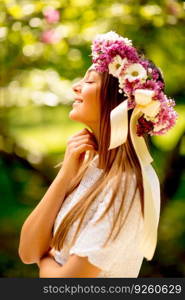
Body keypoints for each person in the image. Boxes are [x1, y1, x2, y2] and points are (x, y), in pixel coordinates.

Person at [18, 31, 177, 278]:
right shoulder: (90, 164)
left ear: (116, 101)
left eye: (90, 82)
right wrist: (66, 174)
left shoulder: (127, 184)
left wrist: (45, 260)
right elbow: (28, 251)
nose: (76, 87)